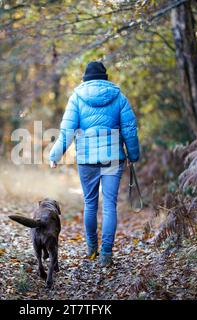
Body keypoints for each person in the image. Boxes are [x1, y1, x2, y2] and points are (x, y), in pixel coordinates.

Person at [49, 61, 140, 267]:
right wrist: (133, 155)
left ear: (85, 78)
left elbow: (67, 132)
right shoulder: (119, 97)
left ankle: (92, 249)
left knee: (90, 204)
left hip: (87, 160)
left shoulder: (77, 98)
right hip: (112, 159)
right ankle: (106, 254)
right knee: (109, 205)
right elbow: (130, 129)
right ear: (105, 77)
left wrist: (54, 156)